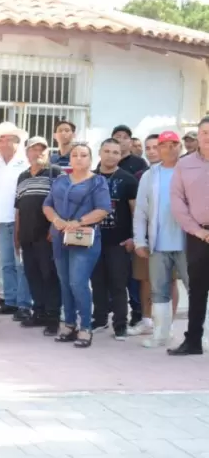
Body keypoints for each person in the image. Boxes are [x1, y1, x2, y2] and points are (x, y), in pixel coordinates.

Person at [43, 143, 112, 348]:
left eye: (83, 155)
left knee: (77, 282)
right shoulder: (60, 180)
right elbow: (47, 205)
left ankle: (86, 326)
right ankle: (69, 324)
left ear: (90, 159)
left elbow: (103, 209)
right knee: (65, 282)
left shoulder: (97, 181)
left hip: (83, 238)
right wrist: (56, 220)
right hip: (60, 237)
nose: (79, 158)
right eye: (75, 155)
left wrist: (79, 222)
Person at [133, 131, 189, 348]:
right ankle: (161, 335)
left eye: (174, 144)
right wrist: (140, 240)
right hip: (158, 244)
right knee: (158, 291)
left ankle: (203, 336)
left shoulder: (190, 171)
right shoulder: (150, 175)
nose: (169, 148)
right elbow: (141, 210)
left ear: (180, 147)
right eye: (164, 145)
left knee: (198, 289)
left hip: (188, 243)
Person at [168, 116, 209, 356]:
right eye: (204, 132)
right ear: (198, 136)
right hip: (197, 235)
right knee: (198, 289)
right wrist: (198, 231)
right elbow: (177, 200)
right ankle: (193, 341)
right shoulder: (184, 165)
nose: (208, 137)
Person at [91, 138, 138, 340]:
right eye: (107, 151)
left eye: (115, 152)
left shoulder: (128, 180)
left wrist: (134, 237)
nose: (111, 156)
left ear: (121, 155)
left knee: (119, 284)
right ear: (100, 153)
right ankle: (99, 319)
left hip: (119, 242)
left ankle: (120, 324)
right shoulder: (90, 178)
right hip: (93, 241)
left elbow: (136, 211)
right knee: (97, 282)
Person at [14, 136, 62, 334]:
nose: (38, 153)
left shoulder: (55, 173)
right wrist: (16, 235)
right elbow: (18, 209)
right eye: (34, 149)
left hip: (47, 236)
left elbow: (62, 203)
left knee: (49, 275)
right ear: (27, 153)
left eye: (42, 149)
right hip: (27, 235)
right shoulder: (22, 177)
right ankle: (39, 312)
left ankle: (53, 317)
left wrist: (54, 228)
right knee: (32, 274)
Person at [0, 123, 31, 321]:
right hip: (2, 218)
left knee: (20, 263)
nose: (1, 143)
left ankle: (23, 303)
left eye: (5, 139)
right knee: (6, 263)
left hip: (20, 218)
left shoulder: (24, 162)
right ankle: (10, 300)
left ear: (15, 141)